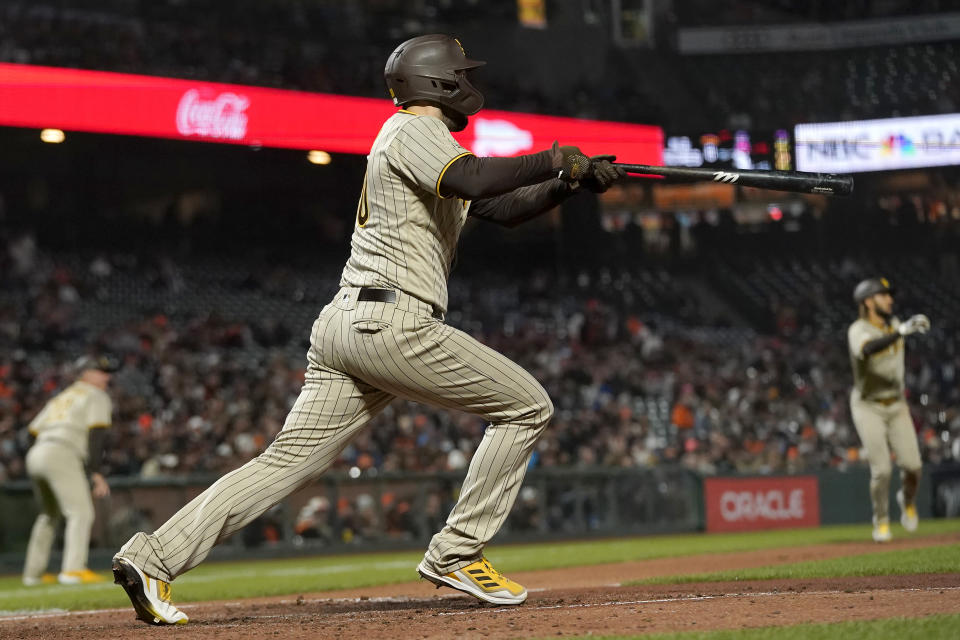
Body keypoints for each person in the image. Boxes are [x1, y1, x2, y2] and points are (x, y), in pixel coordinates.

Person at [111, 33, 625, 625]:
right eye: (460, 73)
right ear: (439, 82)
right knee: (528, 406)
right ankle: (458, 551)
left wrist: (569, 184)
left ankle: (152, 558)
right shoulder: (413, 129)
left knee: (283, 464)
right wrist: (554, 158)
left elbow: (500, 207)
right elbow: (480, 181)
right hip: (391, 319)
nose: (469, 82)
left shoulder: (426, 144)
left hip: (351, 323)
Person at [22, 355, 119, 586]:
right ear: (85, 374)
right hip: (62, 452)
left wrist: (41, 453)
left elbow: (31, 432)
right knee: (80, 512)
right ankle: (72, 570)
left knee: (48, 514)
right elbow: (97, 434)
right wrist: (95, 472)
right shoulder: (96, 395)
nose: (107, 376)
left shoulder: (61, 397)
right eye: (101, 371)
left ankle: (32, 575)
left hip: (37, 452)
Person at [847, 278, 929, 542]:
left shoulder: (894, 325)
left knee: (914, 466)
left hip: (896, 404)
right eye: (883, 296)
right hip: (868, 405)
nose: (890, 300)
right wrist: (901, 332)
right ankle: (881, 521)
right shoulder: (858, 329)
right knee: (882, 470)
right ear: (868, 302)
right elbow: (868, 349)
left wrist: (901, 330)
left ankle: (906, 500)